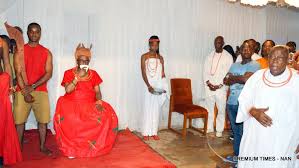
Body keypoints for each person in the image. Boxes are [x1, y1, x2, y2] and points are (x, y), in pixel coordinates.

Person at [236, 46, 299, 168]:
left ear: (287, 60)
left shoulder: (296, 80)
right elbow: (244, 99)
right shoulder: (257, 77)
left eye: (280, 58)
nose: (274, 61)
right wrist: (253, 111)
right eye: (272, 57)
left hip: (285, 140)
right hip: (256, 138)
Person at [54, 43, 118, 158]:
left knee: (106, 116)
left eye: (86, 61)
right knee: (73, 120)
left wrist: (98, 101)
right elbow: (68, 90)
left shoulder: (94, 74)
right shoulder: (68, 73)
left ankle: (91, 147)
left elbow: (98, 92)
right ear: (77, 60)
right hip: (71, 103)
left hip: (90, 103)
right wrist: (77, 78)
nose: (84, 64)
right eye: (81, 61)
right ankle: (72, 149)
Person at [13, 22, 53, 155]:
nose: (34, 34)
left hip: (40, 90)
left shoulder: (46, 52)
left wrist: (33, 86)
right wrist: (25, 90)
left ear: (40, 34)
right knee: (19, 122)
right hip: (21, 89)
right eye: (31, 31)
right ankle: (18, 148)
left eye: (37, 32)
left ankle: (42, 147)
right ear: (28, 32)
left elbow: (48, 73)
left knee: (43, 121)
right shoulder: (20, 51)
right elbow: (18, 72)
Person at [223, 40, 260, 162]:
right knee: (236, 132)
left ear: (253, 51)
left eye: (249, 48)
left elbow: (246, 79)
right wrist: (238, 78)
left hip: (245, 104)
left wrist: (233, 78)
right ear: (240, 50)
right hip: (231, 102)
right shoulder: (235, 65)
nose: (246, 50)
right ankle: (237, 155)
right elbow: (225, 80)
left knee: (244, 132)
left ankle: (245, 157)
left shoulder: (255, 65)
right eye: (243, 48)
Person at [203, 36, 233, 137]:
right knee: (209, 109)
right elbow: (205, 71)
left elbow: (229, 73)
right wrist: (208, 83)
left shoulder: (228, 57)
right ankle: (209, 127)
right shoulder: (209, 56)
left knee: (221, 109)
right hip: (209, 88)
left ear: (223, 43)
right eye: (216, 42)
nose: (217, 44)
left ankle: (219, 129)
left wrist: (219, 85)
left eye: (219, 42)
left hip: (221, 88)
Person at [0, 36, 22, 166]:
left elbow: (7, 63)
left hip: (1, 84)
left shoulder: (2, 42)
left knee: (2, 120)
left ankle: (1, 154)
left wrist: (10, 87)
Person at [141, 35, 168, 141]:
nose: (155, 47)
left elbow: (163, 74)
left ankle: (153, 132)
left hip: (157, 86)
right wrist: (148, 86)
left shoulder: (161, 58)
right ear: (149, 45)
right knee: (147, 108)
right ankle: (145, 132)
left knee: (156, 109)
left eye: (157, 45)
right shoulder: (144, 56)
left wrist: (164, 87)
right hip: (147, 85)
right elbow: (143, 72)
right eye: (153, 45)